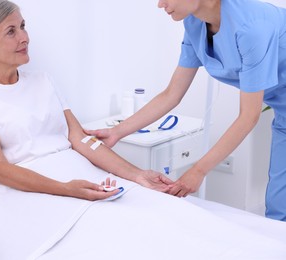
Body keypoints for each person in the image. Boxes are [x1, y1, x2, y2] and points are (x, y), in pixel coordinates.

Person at [0, 0, 173, 203]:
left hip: (80, 178)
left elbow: (80, 139)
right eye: (11, 31)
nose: (24, 37)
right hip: (33, 192)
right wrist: (66, 189)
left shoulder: (43, 81)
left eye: (23, 26)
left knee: (154, 207)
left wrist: (137, 175)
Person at [86, 0, 286, 221]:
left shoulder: (252, 27)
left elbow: (249, 116)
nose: (160, 4)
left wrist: (198, 171)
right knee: (279, 207)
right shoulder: (195, 23)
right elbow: (172, 94)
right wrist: (117, 132)